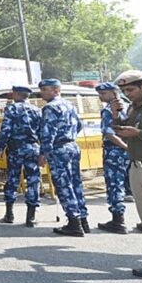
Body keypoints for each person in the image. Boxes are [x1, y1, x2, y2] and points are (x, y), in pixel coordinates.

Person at [110, 69, 142, 277]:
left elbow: (139, 133)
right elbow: (125, 130)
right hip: (136, 168)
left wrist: (139, 133)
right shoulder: (132, 109)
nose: (128, 94)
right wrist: (116, 117)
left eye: (131, 89)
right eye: (124, 90)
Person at [37, 79, 88, 237]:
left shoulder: (50, 107)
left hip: (59, 148)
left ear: (56, 90)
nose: (42, 93)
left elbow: (47, 132)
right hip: (72, 146)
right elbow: (79, 125)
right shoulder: (69, 105)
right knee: (75, 183)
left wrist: (43, 152)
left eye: (45, 90)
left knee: (63, 185)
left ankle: (74, 222)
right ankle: (83, 219)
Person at [0, 86, 42, 227]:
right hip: (32, 147)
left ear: (16, 95)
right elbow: (42, 131)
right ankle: (31, 217)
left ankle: (9, 214)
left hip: (15, 148)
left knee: (12, 180)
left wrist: (0, 146)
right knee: (33, 181)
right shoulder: (36, 110)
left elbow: (5, 129)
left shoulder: (12, 108)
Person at [95, 82, 131, 234]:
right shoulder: (126, 107)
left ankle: (118, 220)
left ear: (113, 93)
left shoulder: (108, 110)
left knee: (114, 185)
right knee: (123, 183)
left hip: (113, 151)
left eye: (103, 93)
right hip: (125, 152)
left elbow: (109, 133)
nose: (100, 96)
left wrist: (124, 147)